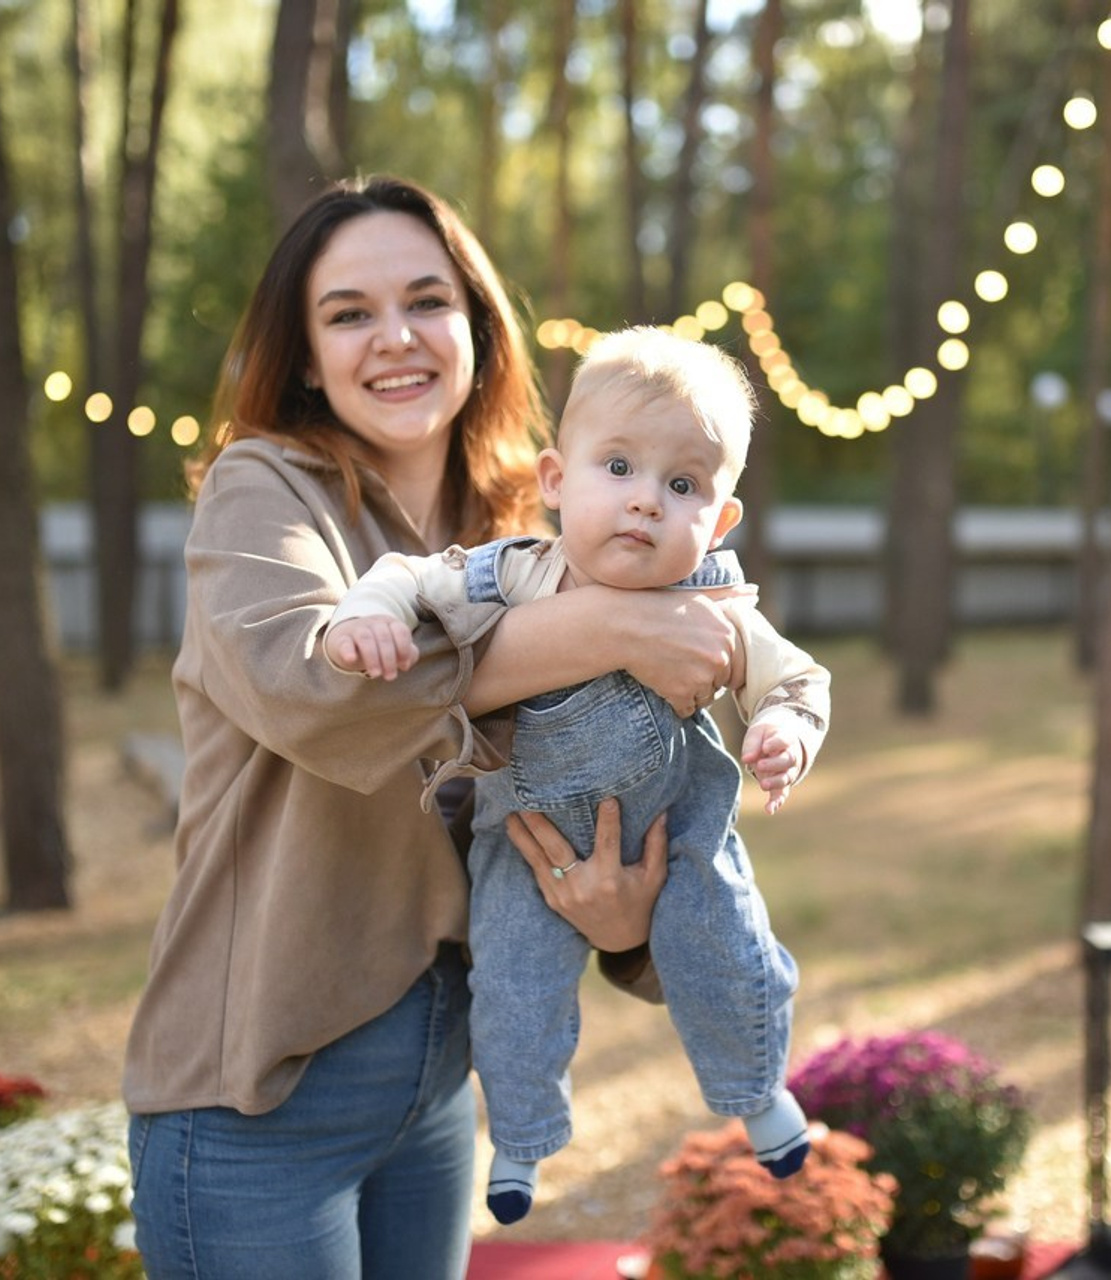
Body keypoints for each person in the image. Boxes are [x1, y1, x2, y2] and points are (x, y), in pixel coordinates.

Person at [121, 178, 746, 1280]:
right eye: (348, 312)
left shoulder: (527, 527)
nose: (395, 337)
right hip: (257, 1095)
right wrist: (614, 624)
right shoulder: (259, 489)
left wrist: (626, 920)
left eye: (426, 299)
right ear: (307, 354)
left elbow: (607, 768)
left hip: (437, 1088)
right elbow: (320, 690)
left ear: (475, 325)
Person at [324, 326, 832, 1225]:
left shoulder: (712, 607)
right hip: (524, 843)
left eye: (681, 486)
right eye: (620, 468)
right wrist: (367, 614)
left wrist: (787, 726)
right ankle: (521, 1138)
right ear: (556, 481)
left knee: (730, 953)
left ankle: (757, 1093)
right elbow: (411, 577)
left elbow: (794, 678)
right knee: (514, 990)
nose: (645, 503)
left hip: (679, 839)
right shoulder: (515, 576)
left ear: (716, 522)